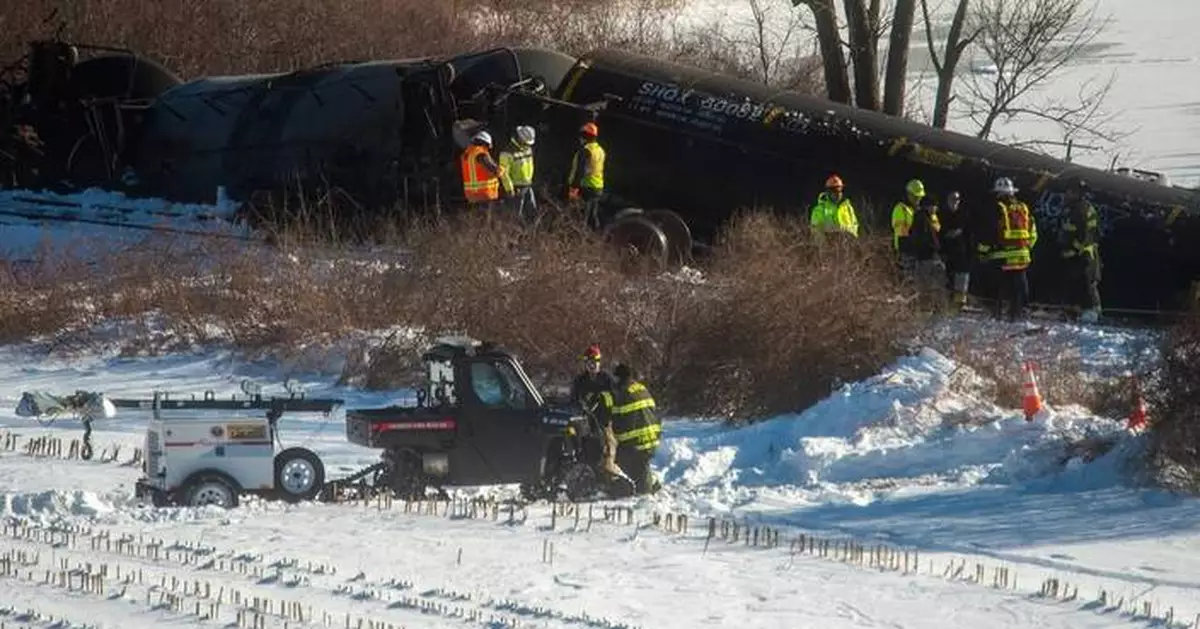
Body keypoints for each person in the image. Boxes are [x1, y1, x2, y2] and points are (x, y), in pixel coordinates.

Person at [595, 363, 662, 496]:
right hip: (652, 439)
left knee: (619, 461)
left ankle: (640, 487)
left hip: (634, 443)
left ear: (618, 378)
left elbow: (603, 417)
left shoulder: (618, 393)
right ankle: (649, 482)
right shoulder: (642, 389)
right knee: (641, 464)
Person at [978, 177, 1037, 321]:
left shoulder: (997, 208)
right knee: (1019, 287)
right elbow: (1033, 232)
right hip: (1022, 254)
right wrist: (1026, 247)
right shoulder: (1023, 208)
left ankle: (997, 314)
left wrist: (982, 252)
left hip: (1001, 255)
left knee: (997, 287)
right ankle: (1018, 314)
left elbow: (988, 233)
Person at [1060, 180, 1102, 323]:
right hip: (1078, 255)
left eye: (1069, 192)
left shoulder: (1081, 210)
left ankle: (1092, 313)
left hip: (1083, 255)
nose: (1066, 194)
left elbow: (1085, 235)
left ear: (1076, 193)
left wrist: (1073, 250)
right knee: (1076, 284)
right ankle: (1075, 311)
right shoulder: (1076, 208)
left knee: (1086, 284)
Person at [906, 195, 944, 306]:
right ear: (929, 206)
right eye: (935, 206)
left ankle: (927, 305)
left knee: (926, 283)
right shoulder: (923, 219)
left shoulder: (922, 217)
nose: (936, 209)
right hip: (926, 256)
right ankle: (927, 306)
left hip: (925, 255)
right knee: (928, 283)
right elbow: (925, 238)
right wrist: (934, 248)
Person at [568, 121, 606, 228]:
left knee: (581, 217)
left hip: (586, 187)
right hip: (598, 187)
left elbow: (580, 171)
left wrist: (573, 189)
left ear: (585, 136)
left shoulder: (585, 151)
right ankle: (597, 234)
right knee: (592, 216)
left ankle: (580, 235)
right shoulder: (600, 150)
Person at [939, 190, 973, 311]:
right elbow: (938, 232)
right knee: (945, 277)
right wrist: (947, 235)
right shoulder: (941, 214)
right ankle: (945, 302)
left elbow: (969, 233)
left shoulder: (964, 214)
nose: (955, 201)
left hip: (961, 251)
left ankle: (960, 303)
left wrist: (970, 250)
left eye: (957, 199)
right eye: (952, 199)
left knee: (962, 276)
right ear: (947, 200)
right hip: (946, 251)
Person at [499, 125, 537, 222]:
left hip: (528, 185)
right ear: (520, 138)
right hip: (516, 187)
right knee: (515, 216)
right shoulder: (507, 152)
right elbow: (504, 174)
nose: (527, 145)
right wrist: (509, 189)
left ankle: (531, 230)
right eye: (525, 142)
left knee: (532, 213)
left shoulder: (528, 149)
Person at [808, 174, 859, 241]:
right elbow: (816, 230)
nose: (838, 193)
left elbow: (855, 225)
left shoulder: (848, 208)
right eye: (834, 190)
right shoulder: (819, 210)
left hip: (847, 244)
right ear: (828, 192)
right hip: (828, 245)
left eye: (840, 189)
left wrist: (851, 236)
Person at [460, 130, 501, 212]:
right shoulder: (481, 154)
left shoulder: (466, 154)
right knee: (485, 218)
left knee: (476, 217)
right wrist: (502, 169)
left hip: (471, 195)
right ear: (485, 143)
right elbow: (495, 171)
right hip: (485, 194)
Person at [570, 343, 615, 409]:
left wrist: (600, 400)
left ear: (599, 362)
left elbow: (614, 401)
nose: (592, 365)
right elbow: (573, 402)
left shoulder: (607, 380)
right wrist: (582, 405)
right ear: (585, 363)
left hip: (604, 413)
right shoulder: (579, 381)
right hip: (584, 414)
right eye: (589, 362)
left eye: (595, 361)